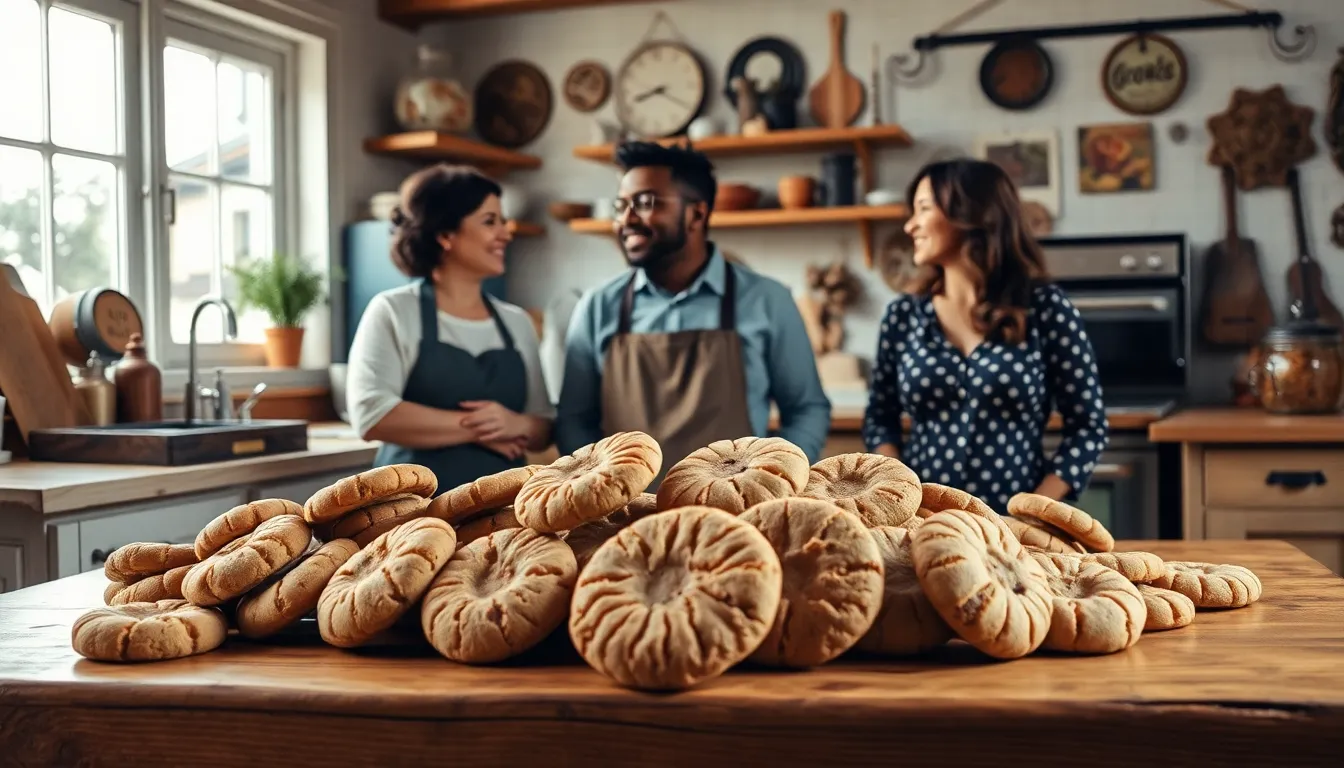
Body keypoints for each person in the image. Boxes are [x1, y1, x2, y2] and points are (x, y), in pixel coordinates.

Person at [555, 141, 831, 484]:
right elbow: (574, 420)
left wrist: (775, 479)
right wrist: (600, 490)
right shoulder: (597, 307)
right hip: (623, 521)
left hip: (738, 520)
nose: (626, 219)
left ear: (697, 214)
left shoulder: (766, 300)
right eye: (621, 206)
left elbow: (806, 409)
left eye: (644, 203)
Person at [862, 158, 1108, 514]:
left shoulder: (1045, 308)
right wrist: (902, 498)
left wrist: (1031, 512)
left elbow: (1088, 427)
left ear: (970, 214)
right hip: (922, 524)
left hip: (1016, 534)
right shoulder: (903, 316)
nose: (910, 225)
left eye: (923, 209)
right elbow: (880, 419)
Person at [346, 163, 553, 494]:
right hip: (411, 510)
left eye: (503, 220)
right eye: (490, 221)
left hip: (504, 508)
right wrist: (482, 428)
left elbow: (542, 424)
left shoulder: (517, 322)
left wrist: (517, 424)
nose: (506, 232)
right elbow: (372, 415)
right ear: (445, 235)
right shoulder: (393, 311)